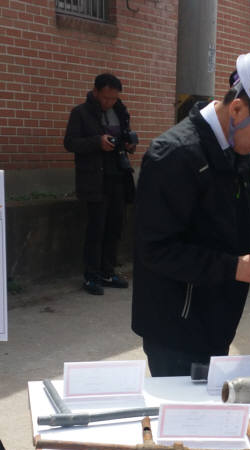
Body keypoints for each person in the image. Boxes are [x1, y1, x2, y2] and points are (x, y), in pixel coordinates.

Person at [132, 46, 250, 376]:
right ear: (239, 109)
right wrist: (233, 267)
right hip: (176, 328)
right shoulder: (173, 156)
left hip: (215, 319)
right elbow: (155, 249)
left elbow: (238, 224)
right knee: (186, 422)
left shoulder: (235, 149)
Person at [64, 73, 137, 296]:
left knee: (114, 227)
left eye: (114, 98)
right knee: (96, 229)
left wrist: (128, 143)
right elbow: (70, 143)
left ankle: (108, 271)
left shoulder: (120, 111)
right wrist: (97, 142)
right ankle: (91, 276)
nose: (109, 102)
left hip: (117, 177)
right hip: (94, 180)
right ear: (95, 92)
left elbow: (125, 139)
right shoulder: (81, 113)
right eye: (106, 98)